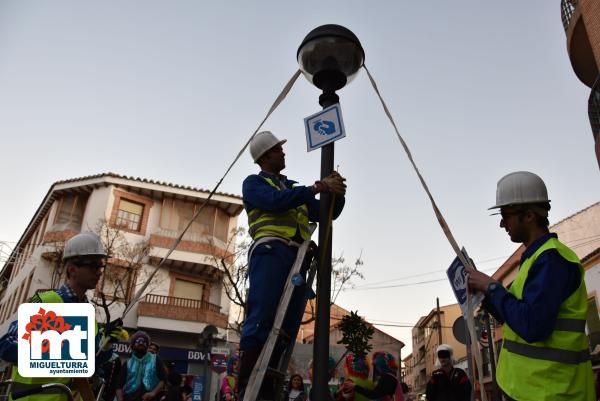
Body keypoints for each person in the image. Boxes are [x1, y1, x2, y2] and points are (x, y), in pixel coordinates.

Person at [466, 171, 595, 401]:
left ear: (529, 216)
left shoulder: (552, 260)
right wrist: (486, 294)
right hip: (535, 390)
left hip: (553, 392)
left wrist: (493, 287)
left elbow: (532, 325)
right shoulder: (535, 260)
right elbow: (516, 317)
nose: (501, 223)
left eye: (506, 214)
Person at [238, 131, 347, 397]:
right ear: (265, 156)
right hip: (270, 252)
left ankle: (270, 384)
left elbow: (324, 214)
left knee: (287, 325)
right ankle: (246, 386)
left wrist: (336, 193)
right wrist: (317, 188)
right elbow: (274, 203)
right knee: (263, 315)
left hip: (296, 260)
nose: (283, 153)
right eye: (278, 150)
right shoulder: (254, 183)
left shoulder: (292, 189)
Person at [0, 232, 122, 401]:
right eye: (93, 265)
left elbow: (93, 360)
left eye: (101, 266)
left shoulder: (86, 313)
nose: (99, 272)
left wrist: (106, 344)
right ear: (72, 269)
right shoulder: (47, 303)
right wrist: (67, 350)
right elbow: (7, 346)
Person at [116, 330, 167, 401]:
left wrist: (153, 393)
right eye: (138, 341)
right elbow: (119, 385)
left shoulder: (155, 359)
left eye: (143, 342)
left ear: (147, 345)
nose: (141, 343)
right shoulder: (128, 363)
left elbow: (163, 380)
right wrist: (120, 398)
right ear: (133, 345)